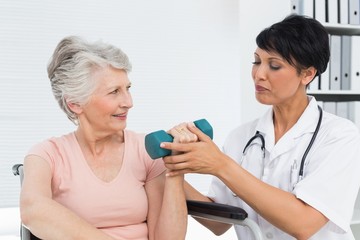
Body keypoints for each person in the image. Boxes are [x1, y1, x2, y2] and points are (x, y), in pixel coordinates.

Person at [161, 14, 360, 239]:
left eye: (274, 65)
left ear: (307, 74)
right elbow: (218, 223)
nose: (259, 74)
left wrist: (220, 164)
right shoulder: (241, 137)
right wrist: (171, 171)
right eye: (256, 62)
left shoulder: (339, 136)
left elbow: (304, 224)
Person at [20, 36, 187, 240]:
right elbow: (33, 211)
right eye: (114, 92)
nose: (128, 102)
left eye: (128, 88)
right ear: (75, 103)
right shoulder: (47, 154)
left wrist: (176, 171)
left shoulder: (145, 150)